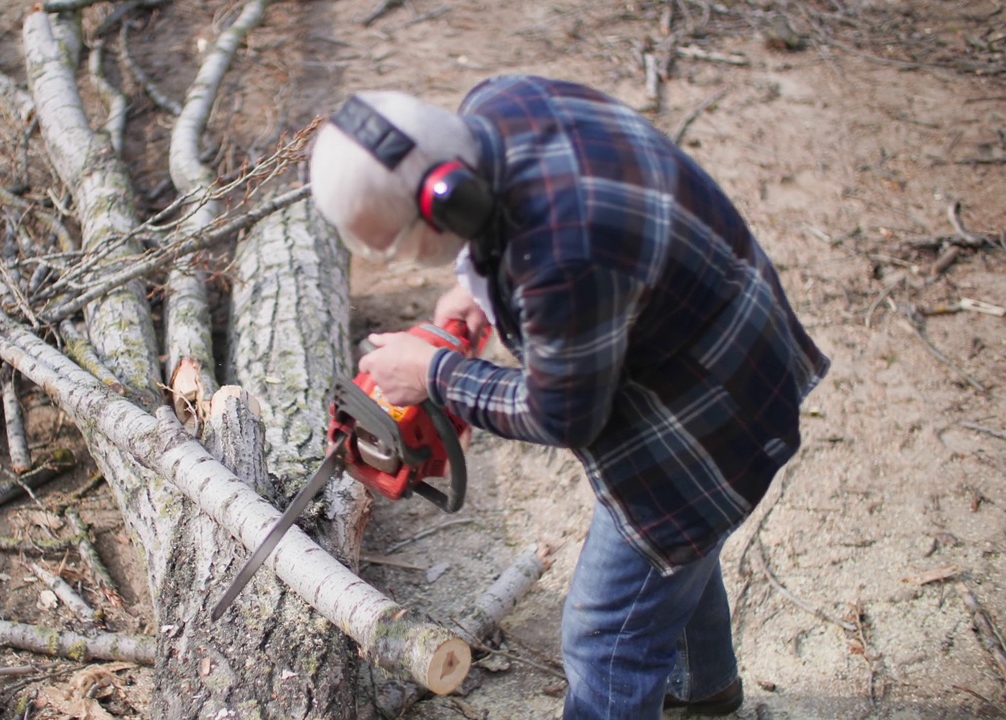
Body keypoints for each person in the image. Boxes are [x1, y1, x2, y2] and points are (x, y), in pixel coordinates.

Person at [307, 75, 830, 718]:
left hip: (707, 422)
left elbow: (564, 414)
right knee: (678, 561)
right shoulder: (501, 103)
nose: (399, 258)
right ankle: (704, 689)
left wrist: (434, 374)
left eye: (398, 241)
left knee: (606, 633)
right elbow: (532, 238)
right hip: (730, 340)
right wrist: (480, 288)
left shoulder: (561, 255)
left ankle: (675, 689)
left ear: (451, 201)